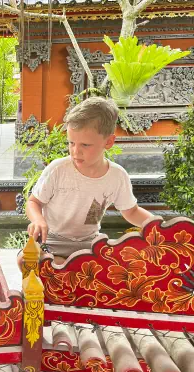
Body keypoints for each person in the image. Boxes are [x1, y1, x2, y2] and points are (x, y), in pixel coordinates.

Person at [25, 97, 153, 265]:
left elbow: (131, 212)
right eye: (71, 143)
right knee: (27, 261)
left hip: (90, 244)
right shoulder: (58, 169)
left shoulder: (117, 176)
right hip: (53, 241)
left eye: (85, 145)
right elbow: (33, 202)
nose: (75, 151)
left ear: (108, 142)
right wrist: (38, 220)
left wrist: (160, 226)